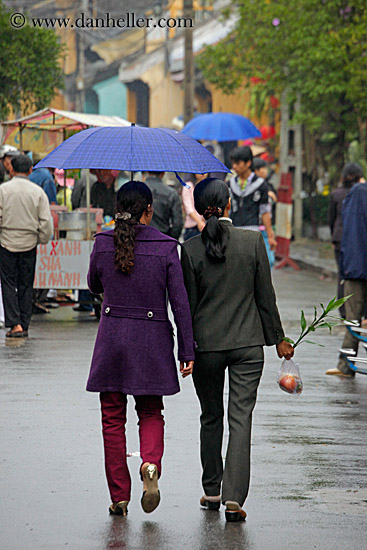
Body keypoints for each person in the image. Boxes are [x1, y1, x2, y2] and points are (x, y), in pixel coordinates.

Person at [180, 178, 293, 522]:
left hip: (208, 348)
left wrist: (187, 350)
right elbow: (265, 298)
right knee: (240, 418)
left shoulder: (191, 249)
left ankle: (212, 488)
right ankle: (234, 497)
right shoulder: (253, 241)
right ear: (229, 204)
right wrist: (279, 339)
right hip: (248, 346)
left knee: (210, 416)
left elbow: (188, 307)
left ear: (200, 209)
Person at [86, 181, 195, 516]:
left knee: (111, 418)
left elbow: (93, 284)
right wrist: (186, 351)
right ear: (149, 210)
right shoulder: (166, 247)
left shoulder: (103, 242)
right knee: (150, 411)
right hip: (152, 341)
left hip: (112, 339)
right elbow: (180, 303)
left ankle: (119, 496)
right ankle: (150, 463)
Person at [0, 154, 53, 337]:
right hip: (29, 243)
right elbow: (46, 222)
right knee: (26, 284)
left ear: (11, 169)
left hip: (6, 242)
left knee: (8, 284)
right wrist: (41, 239)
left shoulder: (3, 190)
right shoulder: (38, 192)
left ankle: (15, 324)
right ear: (31, 170)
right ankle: (24, 322)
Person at [327, 179, 367, 377]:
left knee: (353, 320)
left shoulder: (353, 196)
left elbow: (344, 236)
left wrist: (343, 269)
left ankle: (345, 365)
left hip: (354, 267)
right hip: (356, 265)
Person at [327, 163, 364, 320]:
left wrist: (333, 237)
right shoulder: (361, 194)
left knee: (343, 275)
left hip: (340, 238)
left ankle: (344, 311)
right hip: (358, 240)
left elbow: (331, 218)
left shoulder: (336, 194)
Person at [228, 146, 277, 251]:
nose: (234, 166)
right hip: (233, 231)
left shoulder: (261, 185)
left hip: (252, 231)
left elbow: (265, 211)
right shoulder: (230, 184)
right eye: (233, 163)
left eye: (238, 163)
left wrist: (270, 236)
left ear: (248, 163)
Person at [142, 171, 183, 239]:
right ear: (163, 173)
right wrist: (170, 239)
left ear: (147, 171)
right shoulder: (171, 193)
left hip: (141, 237)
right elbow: (177, 223)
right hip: (163, 237)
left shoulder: (137, 190)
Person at [181, 174, 206, 240]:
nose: (202, 173)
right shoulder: (188, 186)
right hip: (192, 227)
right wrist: (199, 222)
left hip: (206, 226)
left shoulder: (210, 186)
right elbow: (188, 208)